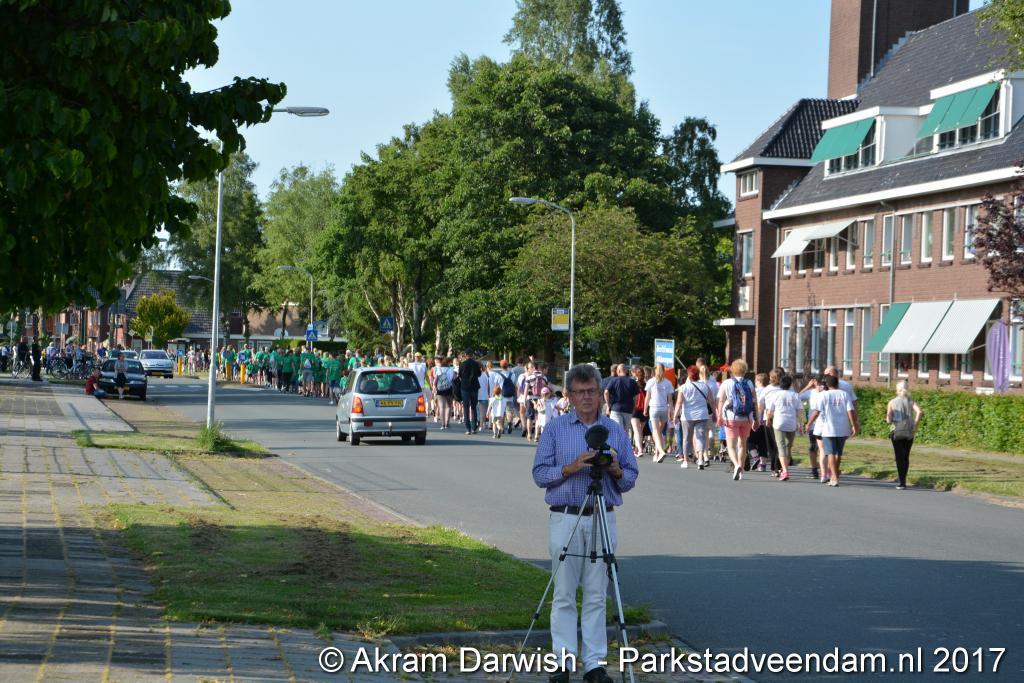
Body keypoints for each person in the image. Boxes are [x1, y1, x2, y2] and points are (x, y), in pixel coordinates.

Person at [531, 364, 639, 683]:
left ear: (601, 393)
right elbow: (539, 474)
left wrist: (615, 469)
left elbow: (630, 477)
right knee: (564, 593)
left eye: (592, 391)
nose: (587, 397)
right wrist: (571, 467)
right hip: (566, 515)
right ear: (569, 396)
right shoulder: (556, 428)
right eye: (580, 392)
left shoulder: (614, 430)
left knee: (596, 594)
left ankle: (594, 664)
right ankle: (563, 663)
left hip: (602, 514)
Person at [806, 374, 858, 487]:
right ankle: (835, 475)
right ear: (837, 383)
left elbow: (817, 412)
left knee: (830, 453)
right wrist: (854, 425)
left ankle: (834, 478)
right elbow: (850, 411)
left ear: (827, 384)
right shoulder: (844, 394)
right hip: (843, 428)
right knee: (838, 453)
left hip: (828, 429)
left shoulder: (823, 395)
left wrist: (809, 423)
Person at [717, 359, 758, 481]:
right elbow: (755, 401)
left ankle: (736, 465)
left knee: (731, 446)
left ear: (732, 370)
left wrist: (719, 416)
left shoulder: (727, 383)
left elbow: (721, 400)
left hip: (731, 417)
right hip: (746, 417)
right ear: (745, 370)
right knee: (742, 445)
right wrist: (756, 418)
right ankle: (741, 473)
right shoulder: (749, 383)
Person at [673, 365, 714, 470]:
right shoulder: (705, 386)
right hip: (702, 415)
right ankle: (700, 459)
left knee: (686, 438)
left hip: (687, 416)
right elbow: (711, 401)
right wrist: (715, 413)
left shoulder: (683, 388)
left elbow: (679, 403)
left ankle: (686, 460)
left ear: (689, 375)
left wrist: (675, 415)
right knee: (701, 437)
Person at [763, 375, 804, 481]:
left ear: (780, 384)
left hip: (778, 422)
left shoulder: (776, 395)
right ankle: (784, 469)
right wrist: (801, 425)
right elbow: (800, 411)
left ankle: (785, 471)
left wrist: (768, 420)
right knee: (788, 447)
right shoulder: (795, 395)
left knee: (781, 446)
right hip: (791, 423)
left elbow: (770, 410)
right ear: (790, 384)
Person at [886, 380, 923, 490]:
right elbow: (919, 412)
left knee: (899, 457)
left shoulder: (892, 402)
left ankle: (901, 482)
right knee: (906, 456)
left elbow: (888, 419)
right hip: (909, 431)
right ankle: (904, 480)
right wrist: (915, 425)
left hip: (896, 431)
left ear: (898, 390)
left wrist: (889, 419)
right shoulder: (911, 401)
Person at [644, 363, 674, 462]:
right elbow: (670, 400)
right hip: (664, 408)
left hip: (654, 408)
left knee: (655, 432)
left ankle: (661, 451)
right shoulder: (668, 383)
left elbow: (647, 397)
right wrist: (671, 412)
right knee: (659, 432)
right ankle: (657, 454)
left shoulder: (651, 381)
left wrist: (645, 409)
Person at [603, 364, 639, 434]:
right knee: (625, 431)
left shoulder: (614, 380)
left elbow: (606, 392)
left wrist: (608, 405)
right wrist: (634, 407)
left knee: (618, 430)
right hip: (628, 409)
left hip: (616, 409)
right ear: (626, 371)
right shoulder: (632, 382)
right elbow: (636, 397)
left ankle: (619, 441)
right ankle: (624, 441)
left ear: (618, 371)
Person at [458, 350, 482, 435]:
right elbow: (479, 374)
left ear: (465, 355)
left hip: (465, 387)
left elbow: (459, 375)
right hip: (474, 387)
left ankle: (468, 429)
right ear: (472, 355)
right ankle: (474, 428)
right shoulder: (476, 364)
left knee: (466, 407)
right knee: (473, 407)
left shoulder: (462, 364)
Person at [629, 366, 648, 457]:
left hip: (635, 409)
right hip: (645, 409)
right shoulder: (646, 384)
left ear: (635, 374)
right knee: (640, 430)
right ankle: (637, 449)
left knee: (637, 431)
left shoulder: (633, 384)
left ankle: (639, 450)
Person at [434, 357, 455, 430]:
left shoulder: (438, 369)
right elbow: (454, 378)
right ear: (448, 363)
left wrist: (435, 388)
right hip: (449, 389)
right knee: (448, 406)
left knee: (441, 407)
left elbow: (435, 381)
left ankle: (442, 424)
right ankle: (447, 423)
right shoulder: (451, 369)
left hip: (440, 389)